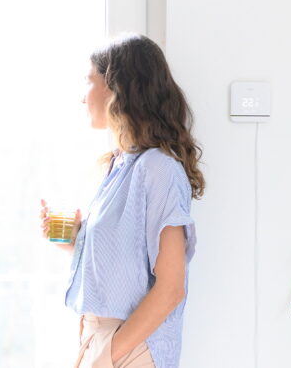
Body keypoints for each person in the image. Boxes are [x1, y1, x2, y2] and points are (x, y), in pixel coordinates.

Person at [40, 33, 205, 368]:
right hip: (102, 339)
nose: (82, 98)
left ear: (117, 89)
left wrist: (112, 353)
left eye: (89, 82)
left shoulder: (159, 169)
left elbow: (171, 288)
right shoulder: (120, 165)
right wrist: (76, 238)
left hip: (129, 346)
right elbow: (125, 264)